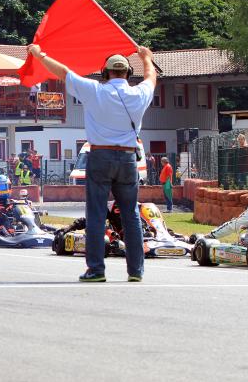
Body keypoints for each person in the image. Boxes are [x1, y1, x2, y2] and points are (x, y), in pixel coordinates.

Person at [28, 44, 156, 283]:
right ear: (128, 73)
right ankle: (135, 271)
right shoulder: (139, 94)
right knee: (131, 215)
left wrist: (39, 54)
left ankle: (96, 270)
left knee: (96, 215)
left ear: (105, 73)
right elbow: (151, 77)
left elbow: (63, 72)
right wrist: (146, 58)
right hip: (129, 158)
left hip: (99, 155)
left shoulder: (94, 90)